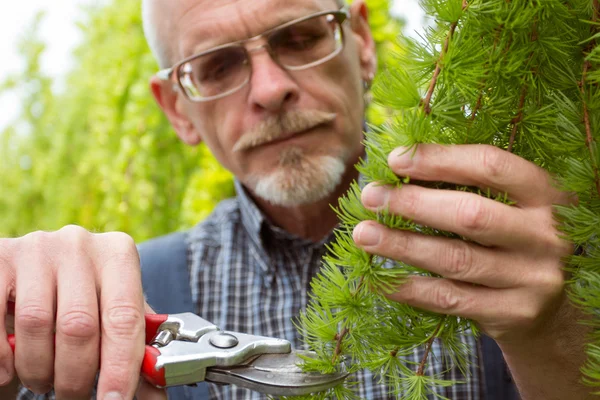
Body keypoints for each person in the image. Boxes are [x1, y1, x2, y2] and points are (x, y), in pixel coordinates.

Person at [0, 0, 592, 398]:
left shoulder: (531, 239)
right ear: (177, 109)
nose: (271, 88)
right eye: (216, 65)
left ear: (360, 41)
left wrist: (557, 339)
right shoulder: (128, 303)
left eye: (302, 37)